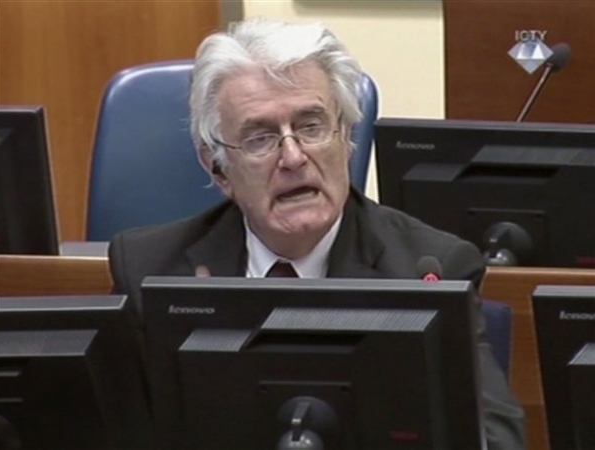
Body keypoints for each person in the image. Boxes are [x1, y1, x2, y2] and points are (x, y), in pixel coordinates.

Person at [109, 17, 526, 449]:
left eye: (311, 127)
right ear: (217, 167)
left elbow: (497, 440)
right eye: (259, 138)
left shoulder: (429, 268)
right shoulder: (150, 270)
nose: (293, 157)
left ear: (346, 138)